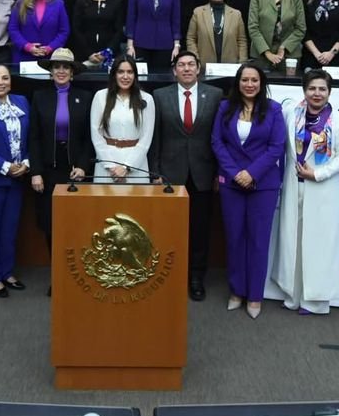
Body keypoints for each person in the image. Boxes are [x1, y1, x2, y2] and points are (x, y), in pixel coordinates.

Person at [266, 69, 339, 313]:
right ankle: (293, 294)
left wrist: (318, 173)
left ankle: (315, 301)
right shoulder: (292, 114)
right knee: (294, 243)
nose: (317, 93)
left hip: (324, 190)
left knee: (318, 246)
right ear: (304, 90)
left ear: (329, 92)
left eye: (322, 89)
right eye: (312, 88)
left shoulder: (338, 120)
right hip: (294, 188)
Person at [211, 62, 286, 318]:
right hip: (231, 183)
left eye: (254, 80)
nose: (250, 84)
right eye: (245, 80)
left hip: (263, 184)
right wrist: (236, 173)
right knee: (234, 238)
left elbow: (277, 147)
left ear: (261, 83)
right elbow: (217, 142)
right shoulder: (225, 107)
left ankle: (254, 295)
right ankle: (237, 291)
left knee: (258, 240)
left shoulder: (274, 109)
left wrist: (251, 173)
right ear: (238, 82)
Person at [149, 50, 223, 300]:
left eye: (191, 64)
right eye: (181, 65)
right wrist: (155, 172)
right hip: (169, 174)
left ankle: (196, 277)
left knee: (200, 230)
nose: (187, 69)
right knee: (169, 228)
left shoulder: (215, 95)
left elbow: (220, 138)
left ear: (199, 69)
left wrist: (219, 173)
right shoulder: (160, 96)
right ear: (174, 70)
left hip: (203, 173)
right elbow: (155, 137)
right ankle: (170, 275)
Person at [29, 49, 94, 279]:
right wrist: (36, 171)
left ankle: (76, 274)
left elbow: (89, 138)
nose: (61, 71)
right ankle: (58, 275)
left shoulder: (85, 97)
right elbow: (34, 138)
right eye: (57, 67)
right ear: (51, 71)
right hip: (49, 170)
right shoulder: (39, 97)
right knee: (51, 224)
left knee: (77, 224)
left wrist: (83, 165)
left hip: (76, 169)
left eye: (66, 67)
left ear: (73, 72)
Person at [0, 64, 40, 297]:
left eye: (5, 78)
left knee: (10, 229)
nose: (0, 82)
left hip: (18, 179)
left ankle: (7, 272)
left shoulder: (22, 102)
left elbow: (33, 136)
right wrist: (5, 167)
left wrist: (27, 163)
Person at [91, 55, 155, 183]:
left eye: (130, 72)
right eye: (121, 72)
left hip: (136, 165)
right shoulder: (100, 96)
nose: (125, 76)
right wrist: (111, 166)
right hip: (106, 165)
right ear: (114, 74)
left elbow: (146, 138)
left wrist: (127, 166)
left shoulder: (146, 99)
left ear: (135, 75)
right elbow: (96, 135)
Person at [125, 0, 181, 75]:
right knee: (141, 79)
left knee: (162, 78)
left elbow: (175, 19)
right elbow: (131, 17)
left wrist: (176, 45)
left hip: (165, 44)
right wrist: (130, 45)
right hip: (140, 43)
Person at [247, 0, 305, 74]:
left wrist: (284, 48)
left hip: (289, 55)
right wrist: (267, 52)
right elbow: (253, 27)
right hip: (261, 55)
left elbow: (301, 28)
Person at [10, 0, 71, 65]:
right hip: (24, 57)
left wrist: (50, 48)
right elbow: (13, 29)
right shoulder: (20, 3)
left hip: (50, 58)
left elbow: (64, 31)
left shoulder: (59, 4)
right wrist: (27, 47)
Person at [71, 0, 125, 69]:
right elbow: (76, 29)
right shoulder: (81, 2)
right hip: (85, 56)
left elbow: (119, 30)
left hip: (110, 56)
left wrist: (107, 52)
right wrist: (89, 53)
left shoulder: (116, 2)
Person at [186, 0, 248, 65]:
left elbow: (242, 41)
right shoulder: (198, 12)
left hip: (230, 65)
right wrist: (195, 60)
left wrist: (242, 62)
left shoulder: (236, 14)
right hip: (204, 64)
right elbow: (191, 39)